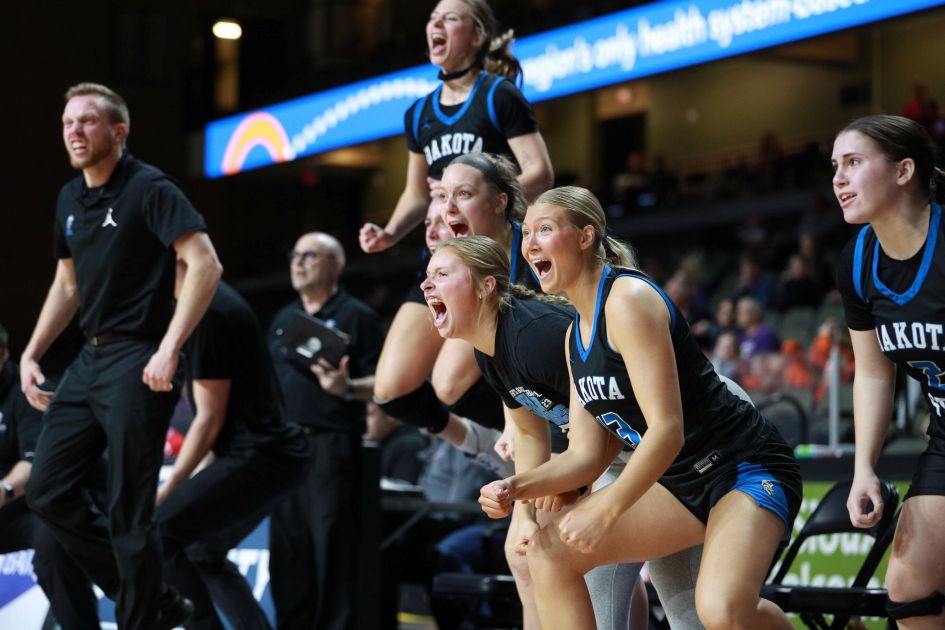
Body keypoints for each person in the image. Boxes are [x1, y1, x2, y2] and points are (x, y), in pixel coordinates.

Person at [481, 186, 802, 629]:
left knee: (721, 612)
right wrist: (516, 487)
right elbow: (585, 456)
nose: (529, 242)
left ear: (585, 237)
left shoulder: (627, 300)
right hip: (678, 483)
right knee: (547, 551)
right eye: (527, 233)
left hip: (740, 466)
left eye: (545, 229)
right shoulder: (575, 337)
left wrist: (606, 508)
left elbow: (667, 429)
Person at [422, 236, 714, 629]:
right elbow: (529, 435)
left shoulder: (536, 336)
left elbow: (613, 403)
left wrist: (577, 485)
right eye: (427, 276)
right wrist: (524, 513)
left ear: (485, 285)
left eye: (441, 274)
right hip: (620, 451)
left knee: (690, 610)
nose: (426, 285)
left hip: (667, 448)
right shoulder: (489, 351)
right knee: (581, 581)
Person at [20, 82, 222, 630]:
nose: (75, 131)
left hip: (139, 358)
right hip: (89, 358)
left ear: (118, 131)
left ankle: (144, 614)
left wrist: (168, 347)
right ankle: (154, 601)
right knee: (46, 489)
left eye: (87, 121)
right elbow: (67, 285)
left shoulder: (150, 188)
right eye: (68, 123)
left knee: (130, 513)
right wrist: (32, 352)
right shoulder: (69, 198)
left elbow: (205, 264)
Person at [359, 0, 552, 438]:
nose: (436, 24)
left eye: (449, 17)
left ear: (478, 35)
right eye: (431, 18)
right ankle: (493, 440)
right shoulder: (419, 113)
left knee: (448, 383)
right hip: (440, 256)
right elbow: (414, 192)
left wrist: (480, 200)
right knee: (392, 389)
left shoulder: (498, 95)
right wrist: (390, 232)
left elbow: (540, 171)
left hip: (490, 254)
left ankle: (543, 439)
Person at [834, 114, 945, 628]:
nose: (838, 178)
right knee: (907, 587)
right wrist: (863, 469)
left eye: (854, 162)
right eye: (835, 166)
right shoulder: (857, 262)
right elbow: (876, 374)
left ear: (904, 171)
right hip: (943, 435)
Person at [154, 269, 311, 630]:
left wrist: (171, 487)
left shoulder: (209, 310)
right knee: (202, 551)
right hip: (265, 454)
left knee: (162, 532)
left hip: (264, 456)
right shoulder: (203, 306)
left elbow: (209, 419)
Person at [267, 232, 384, 630]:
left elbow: (388, 383)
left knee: (330, 547)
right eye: (295, 255)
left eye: (310, 256)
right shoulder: (283, 319)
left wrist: (347, 388)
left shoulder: (357, 316)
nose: (298, 263)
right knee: (287, 550)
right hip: (285, 448)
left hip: (331, 445)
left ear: (335, 264)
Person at [0, 324, 100, 629]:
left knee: (53, 548)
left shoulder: (27, 390)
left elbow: (34, 464)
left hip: (34, 508)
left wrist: (3, 489)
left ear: (2, 354)